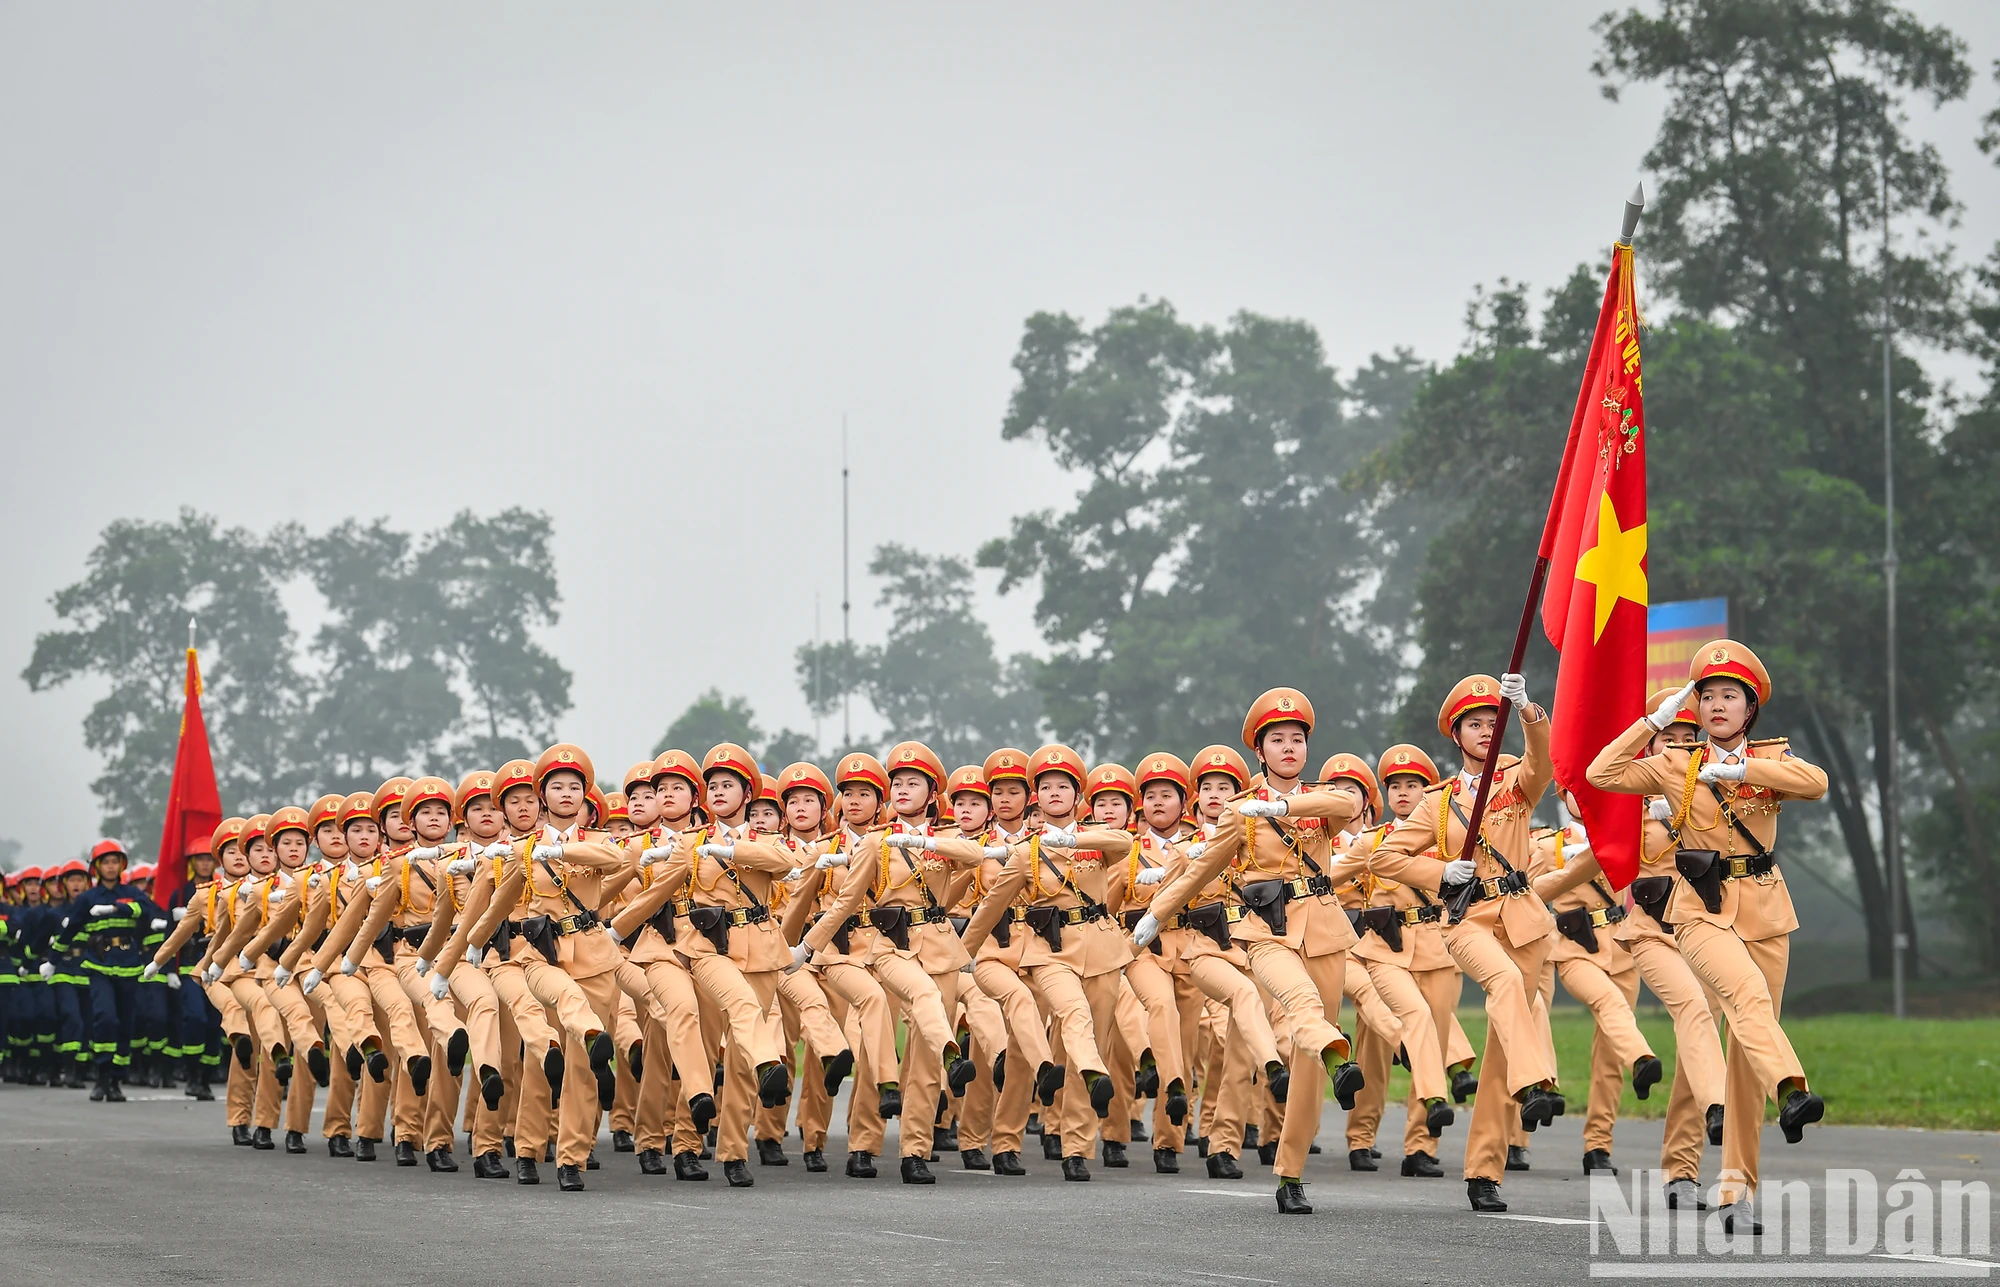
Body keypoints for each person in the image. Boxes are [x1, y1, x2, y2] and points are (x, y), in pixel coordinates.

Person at [1587, 640, 1829, 1233]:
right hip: (1701, 910)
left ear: (1750, 710)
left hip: (1768, 911)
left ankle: (1734, 1193)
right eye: (1708, 695)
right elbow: (1602, 773)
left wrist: (1743, 770)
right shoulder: (1676, 762)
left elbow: (1816, 782)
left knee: (1746, 1053)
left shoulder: (1772, 758)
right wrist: (1656, 720)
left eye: (1730, 696)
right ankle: (1793, 1090)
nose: (1718, 705)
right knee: (1744, 999)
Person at [1136, 692, 1368, 1215]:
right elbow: (1200, 870)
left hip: (1325, 932)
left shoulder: (1319, 798)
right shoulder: (1239, 813)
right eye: (1277, 740)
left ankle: (1290, 1173)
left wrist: (1284, 806)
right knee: (1301, 1005)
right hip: (1266, 933)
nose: (1289, 748)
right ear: (1260, 751)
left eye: (1298, 739)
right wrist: (1156, 913)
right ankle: (1337, 1052)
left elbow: (1347, 805)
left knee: (1307, 1068)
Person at [1364, 673, 1561, 1214]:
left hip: (1522, 919)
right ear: (1458, 736)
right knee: (1500, 983)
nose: (1485, 731)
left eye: (1492, 723)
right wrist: (1438, 871)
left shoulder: (1518, 782)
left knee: (1501, 1049)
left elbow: (1543, 763)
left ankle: (1482, 1172)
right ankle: (1534, 1083)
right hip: (1467, 920)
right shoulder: (1438, 802)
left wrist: (1529, 716)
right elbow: (1384, 857)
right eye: (1474, 724)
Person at [961, 744, 1137, 1184]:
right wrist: (961, 953)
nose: (1054, 793)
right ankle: (1004, 1139)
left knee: (1086, 1040)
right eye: (1046, 787)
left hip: (1101, 951)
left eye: (1064, 786)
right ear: (1036, 796)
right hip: (1042, 953)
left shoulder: (1096, 839)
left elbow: (1124, 841)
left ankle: (1077, 1147)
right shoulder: (1024, 852)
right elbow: (990, 907)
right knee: (1046, 1043)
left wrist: (1072, 839)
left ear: (1078, 796)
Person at [1526, 794, 1663, 1176]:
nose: (1585, 797)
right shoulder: (1547, 846)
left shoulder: (1626, 834)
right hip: (1573, 949)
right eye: (1575, 790)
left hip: (1621, 946)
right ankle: (1642, 1056)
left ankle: (1598, 1146)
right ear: (1564, 795)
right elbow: (1527, 896)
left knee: (1608, 1056)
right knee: (1608, 1006)